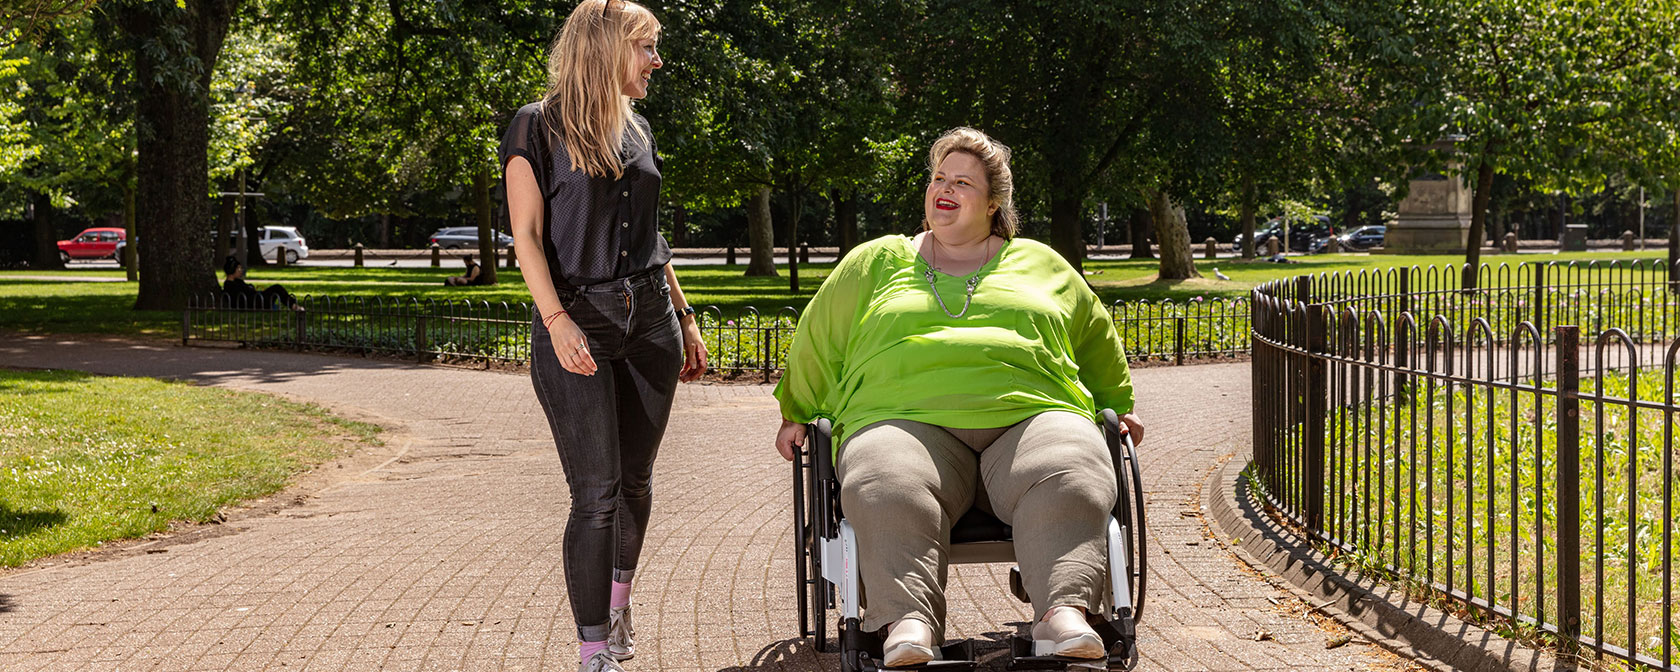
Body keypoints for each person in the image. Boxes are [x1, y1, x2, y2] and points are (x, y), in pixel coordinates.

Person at [772, 127, 1145, 667]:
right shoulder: (875, 263)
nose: (943, 189)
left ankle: (1062, 614)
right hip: (901, 419)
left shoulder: (1041, 264)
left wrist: (1117, 402)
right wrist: (797, 412)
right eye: (938, 178)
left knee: (1074, 467)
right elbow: (819, 339)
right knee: (883, 478)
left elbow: (1094, 334)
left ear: (994, 203)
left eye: (962, 182)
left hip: (1031, 415)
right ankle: (909, 622)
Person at [498, 2, 708, 671]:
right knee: (598, 494)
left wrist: (685, 314)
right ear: (606, 48)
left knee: (638, 484)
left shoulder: (638, 129)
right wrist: (556, 321)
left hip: (650, 323)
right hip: (578, 324)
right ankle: (593, 651)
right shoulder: (535, 126)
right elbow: (526, 239)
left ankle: (617, 609)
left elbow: (652, 238)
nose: (656, 61)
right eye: (647, 47)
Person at [221, 256, 303, 312]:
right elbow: (244, 294)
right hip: (255, 303)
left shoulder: (238, 281)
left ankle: (292, 304)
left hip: (257, 300)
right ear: (232, 270)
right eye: (238, 268)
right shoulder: (230, 285)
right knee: (277, 288)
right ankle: (293, 305)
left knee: (276, 289)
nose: (241, 270)